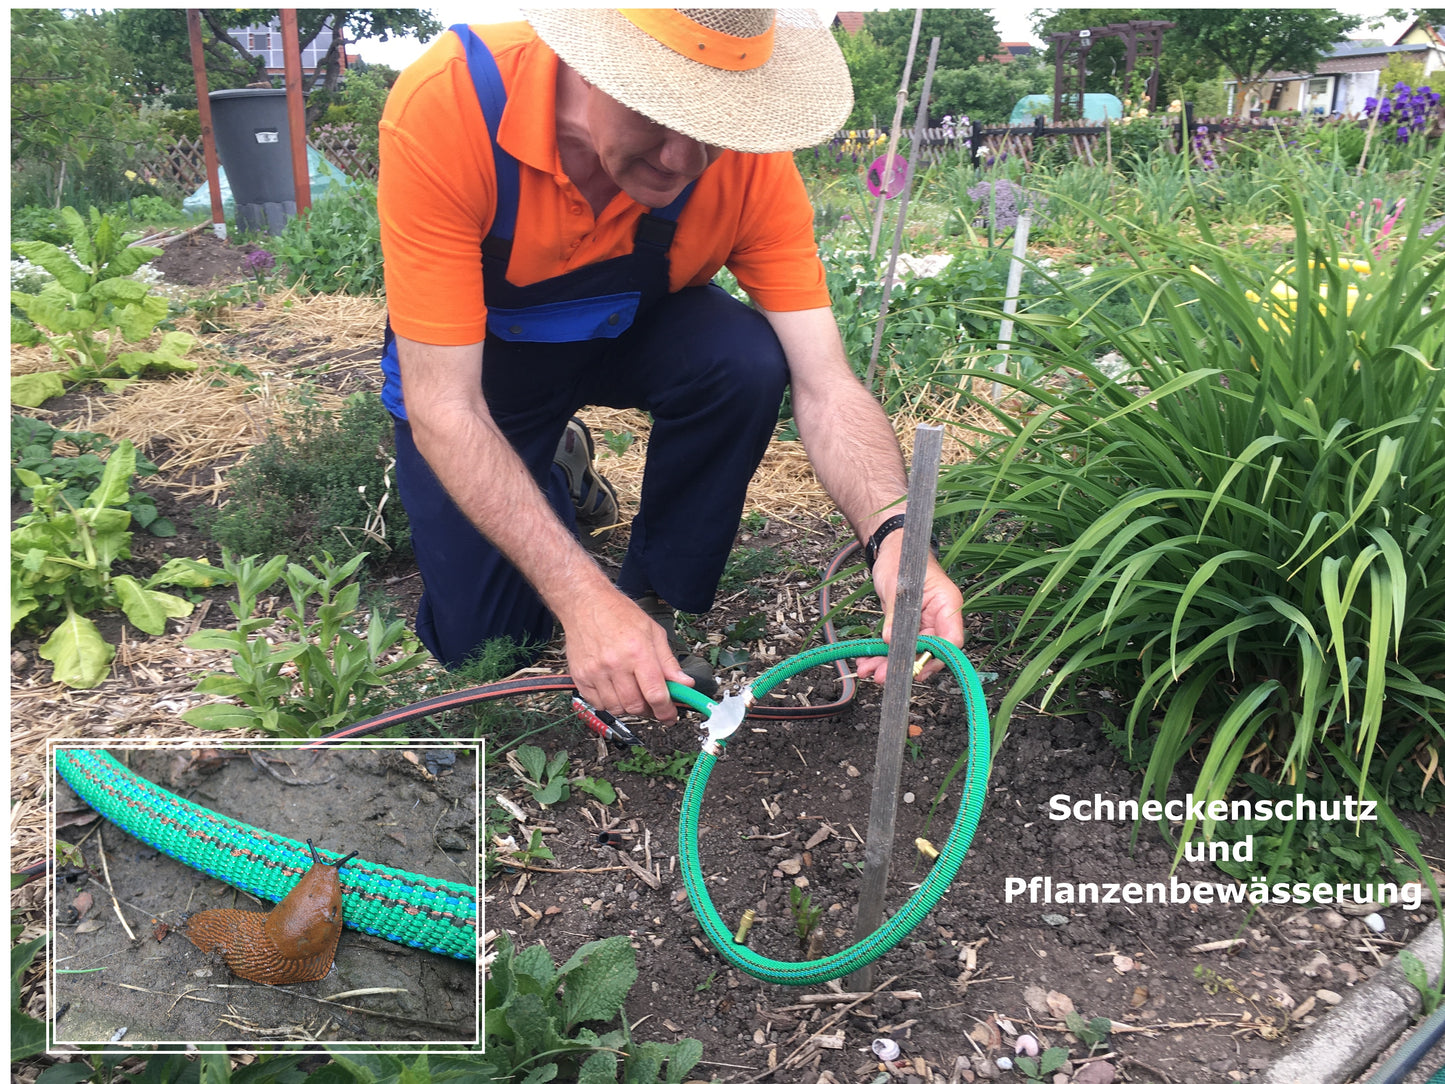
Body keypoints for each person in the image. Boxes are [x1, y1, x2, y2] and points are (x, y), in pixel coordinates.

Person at [377, 8, 963, 723]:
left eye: (710, 125)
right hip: (485, 370)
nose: (681, 160)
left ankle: (652, 591)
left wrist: (895, 540)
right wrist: (581, 601)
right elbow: (445, 406)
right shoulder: (452, 102)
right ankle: (558, 467)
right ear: (591, 64)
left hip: (633, 331)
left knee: (744, 356)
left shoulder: (750, 165)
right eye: (658, 113)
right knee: (486, 642)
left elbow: (826, 382)